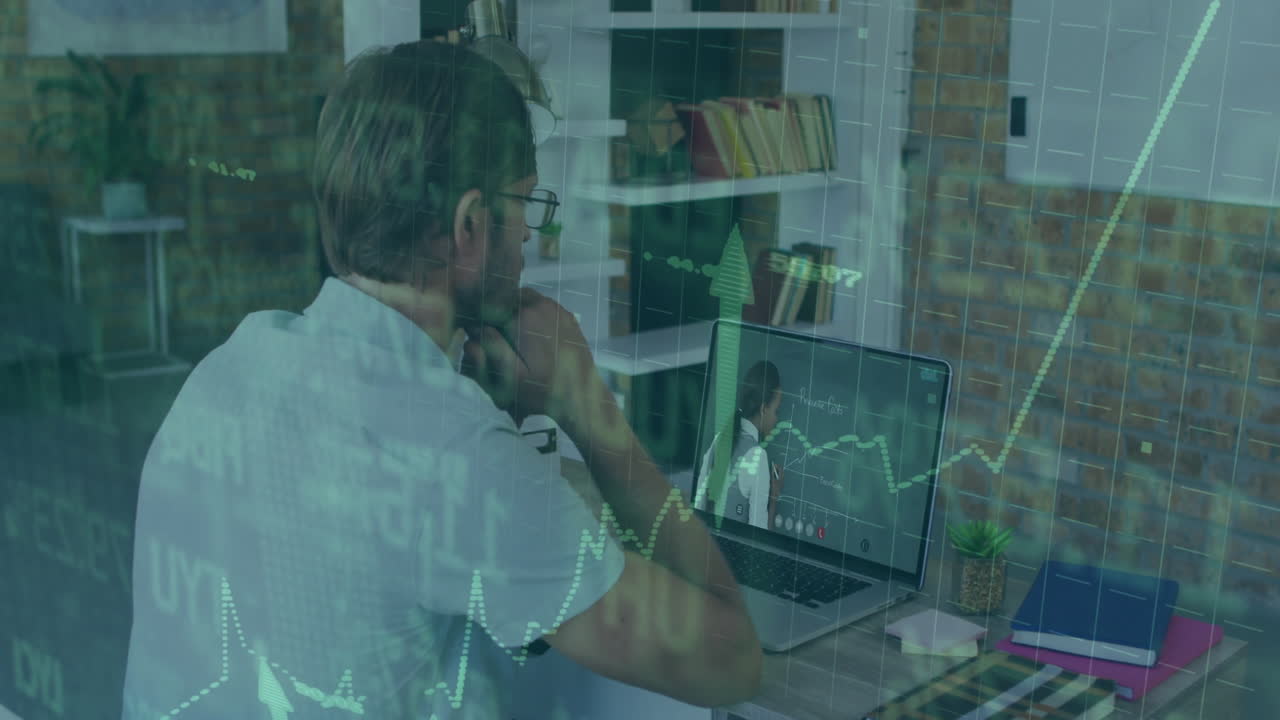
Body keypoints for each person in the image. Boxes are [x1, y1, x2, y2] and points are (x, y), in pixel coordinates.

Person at [119, 40, 760, 719]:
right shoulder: (458, 460)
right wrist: (586, 408)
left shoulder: (233, 363)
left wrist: (482, 419)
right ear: (469, 225)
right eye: (525, 205)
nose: (530, 241)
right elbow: (733, 664)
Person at [694, 360, 786, 530]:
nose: (777, 419)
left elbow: (698, 510)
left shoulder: (719, 439)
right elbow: (758, 541)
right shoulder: (757, 457)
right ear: (764, 408)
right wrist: (774, 498)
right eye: (776, 411)